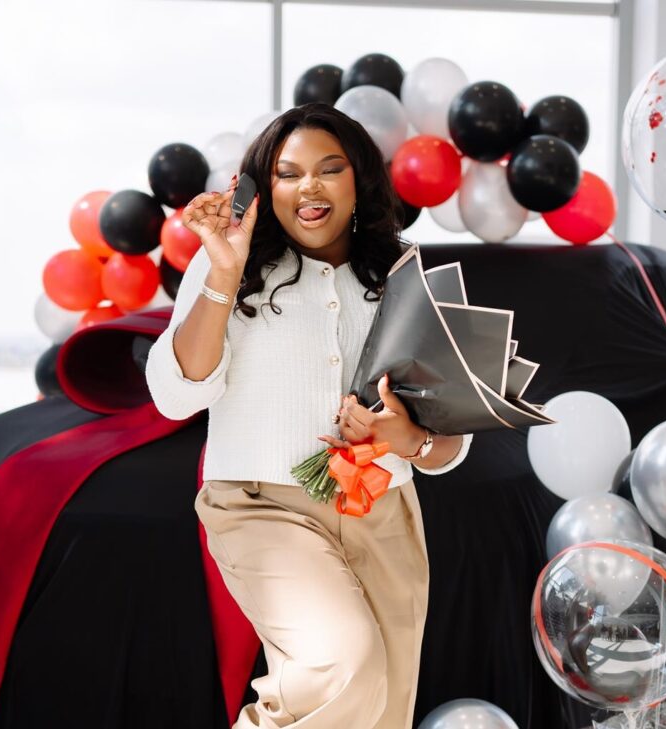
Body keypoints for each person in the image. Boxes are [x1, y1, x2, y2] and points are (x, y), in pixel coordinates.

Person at [145, 102, 473, 729]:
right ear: (263, 189)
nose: (310, 187)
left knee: (381, 711)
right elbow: (175, 396)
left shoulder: (401, 272)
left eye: (330, 169)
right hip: (261, 507)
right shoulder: (228, 265)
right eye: (288, 174)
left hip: (382, 510)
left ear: (359, 180)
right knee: (341, 665)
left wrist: (405, 437)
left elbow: (448, 443)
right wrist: (224, 273)